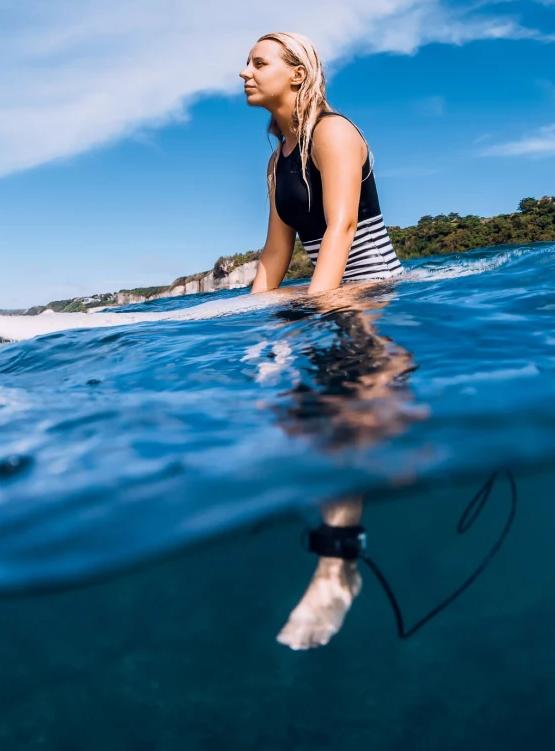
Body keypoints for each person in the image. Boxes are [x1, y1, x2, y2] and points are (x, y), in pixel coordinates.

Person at [239, 32, 409, 649]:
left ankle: (338, 571)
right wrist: (250, 325)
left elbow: (338, 228)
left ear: (297, 74)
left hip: (373, 300)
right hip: (324, 295)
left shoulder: (333, 133)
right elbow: (276, 252)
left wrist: (317, 313)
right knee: (283, 406)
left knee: (342, 423)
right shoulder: (279, 156)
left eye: (258, 63)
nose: (244, 73)